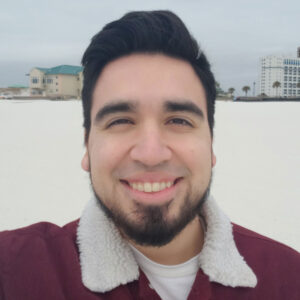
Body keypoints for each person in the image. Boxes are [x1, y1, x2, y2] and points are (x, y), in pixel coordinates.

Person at [0, 10, 299, 300]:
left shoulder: (287, 277)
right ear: (87, 147)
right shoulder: (18, 269)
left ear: (211, 146)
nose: (151, 154)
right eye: (120, 121)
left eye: (179, 120)